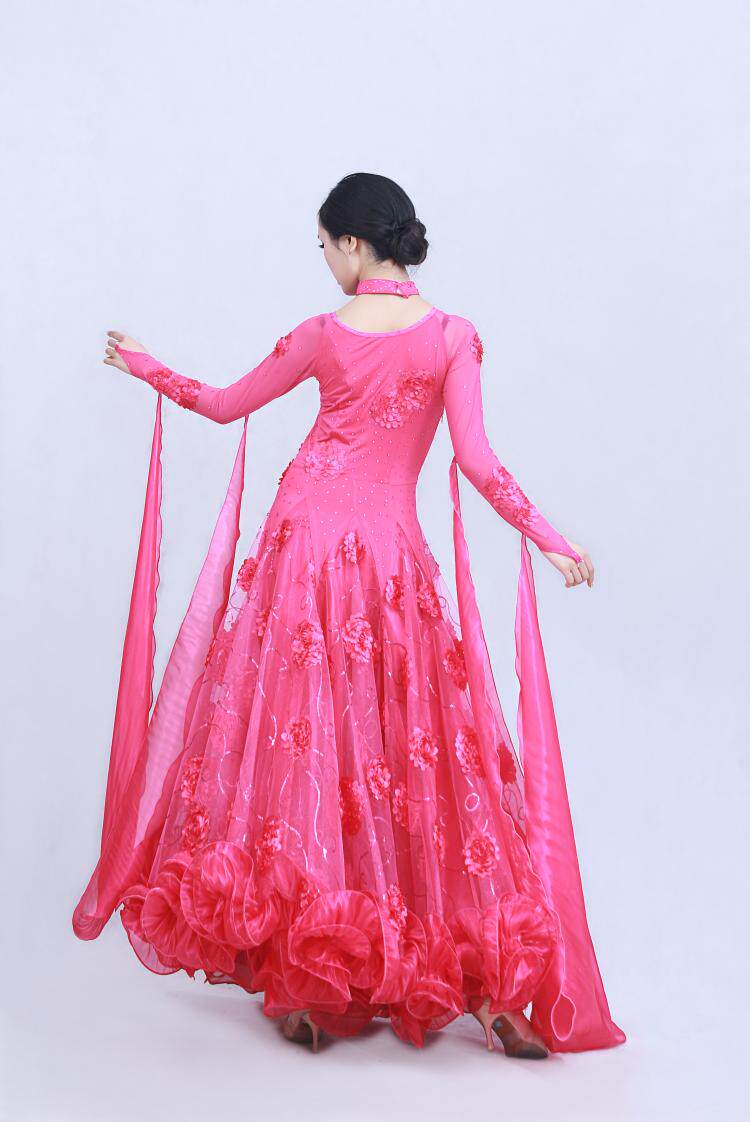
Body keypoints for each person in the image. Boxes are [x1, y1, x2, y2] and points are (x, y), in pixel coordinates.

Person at [73, 172, 625, 1057]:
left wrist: (145, 364)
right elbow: (479, 463)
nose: (326, 260)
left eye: (327, 245)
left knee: (300, 746)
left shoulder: (323, 334)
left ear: (356, 245)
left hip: (303, 552)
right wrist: (552, 540)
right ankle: (491, 990)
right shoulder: (453, 336)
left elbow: (223, 404)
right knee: (418, 753)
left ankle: (305, 982)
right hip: (389, 561)